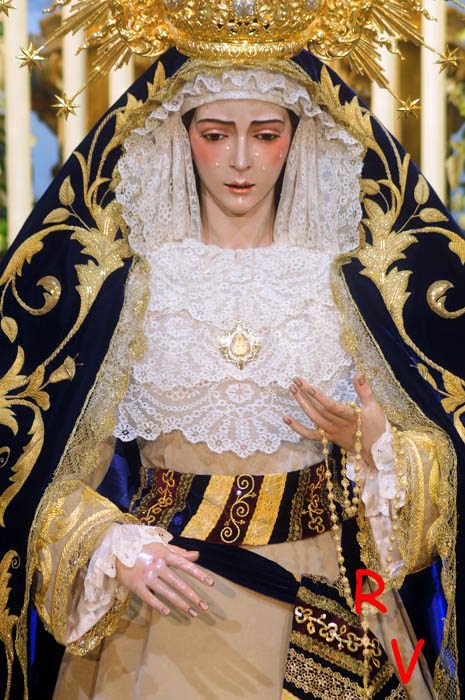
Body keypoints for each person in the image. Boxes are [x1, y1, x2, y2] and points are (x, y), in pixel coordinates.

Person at [0, 50, 463, 700]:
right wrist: (109, 547)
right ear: (181, 134)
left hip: (333, 597)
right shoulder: (131, 291)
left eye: (265, 135)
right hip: (169, 601)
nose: (240, 160)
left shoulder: (344, 286)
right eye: (216, 134)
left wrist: (375, 441)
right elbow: (36, 475)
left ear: (296, 138)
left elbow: (442, 453)